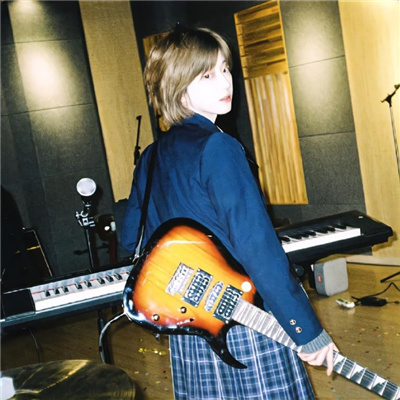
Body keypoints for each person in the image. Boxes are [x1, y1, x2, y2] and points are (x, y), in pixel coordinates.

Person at [122, 26, 338, 400]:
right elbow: (258, 249)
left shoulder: (151, 157)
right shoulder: (219, 147)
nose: (225, 82)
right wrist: (305, 330)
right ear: (178, 88)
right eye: (207, 75)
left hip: (189, 323)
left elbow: (131, 239)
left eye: (225, 69)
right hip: (244, 318)